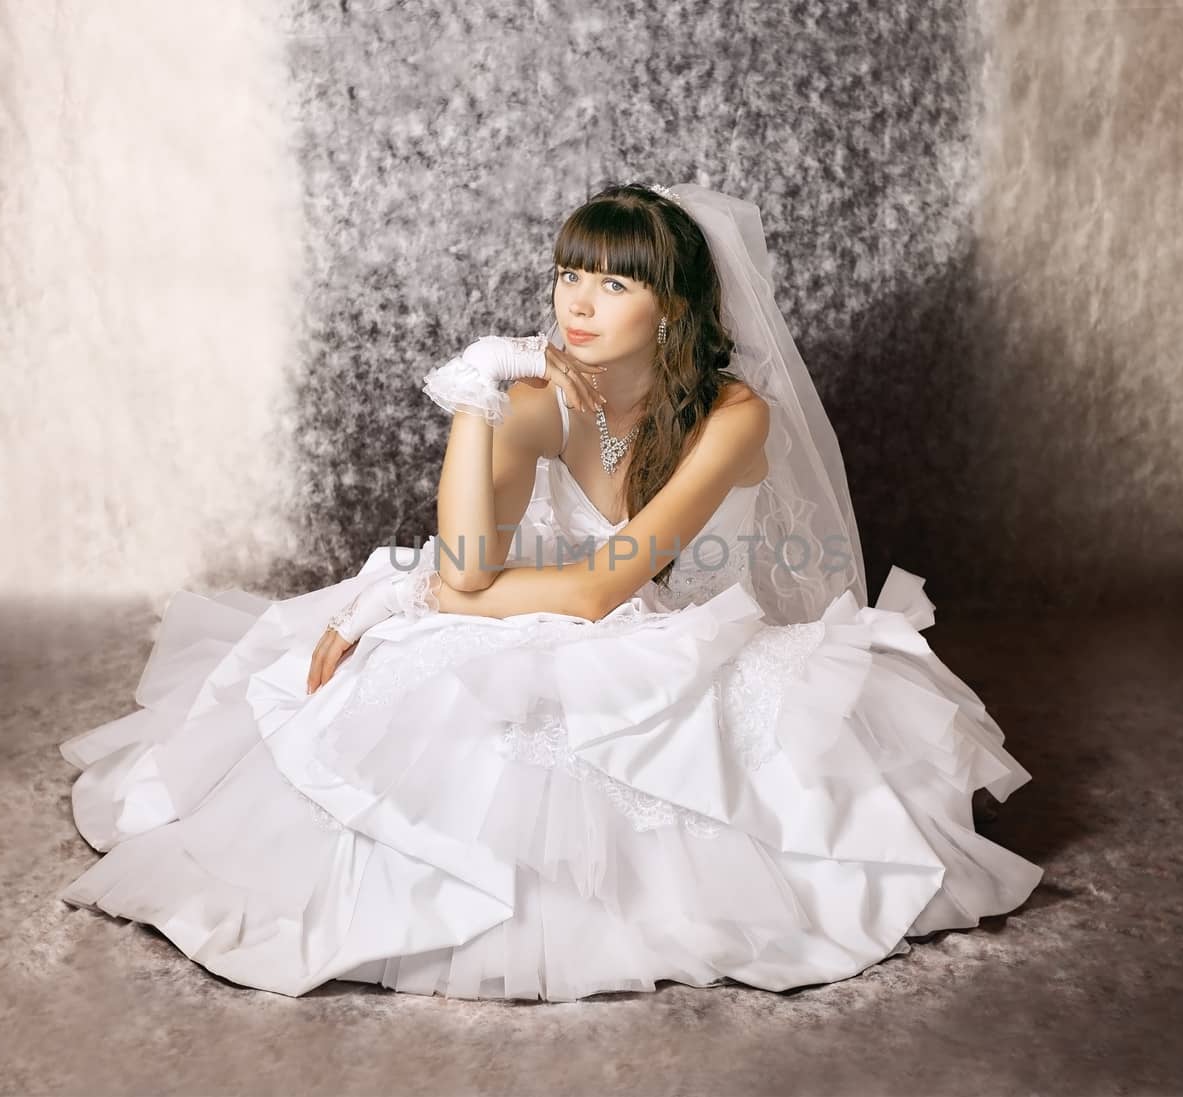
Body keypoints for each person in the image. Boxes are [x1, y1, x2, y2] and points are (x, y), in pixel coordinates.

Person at [57, 182, 1043, 1002]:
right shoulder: (541, 394)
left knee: (596, 737)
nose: (578, 300)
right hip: (529, 606)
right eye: (571, 273)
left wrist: (426, 599)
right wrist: (477, 405)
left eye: (614, 280)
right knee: (390, 708)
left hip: (678, 629)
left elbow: (596, 595)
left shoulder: (733, 414)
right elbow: (470, 558)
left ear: (673, 306)